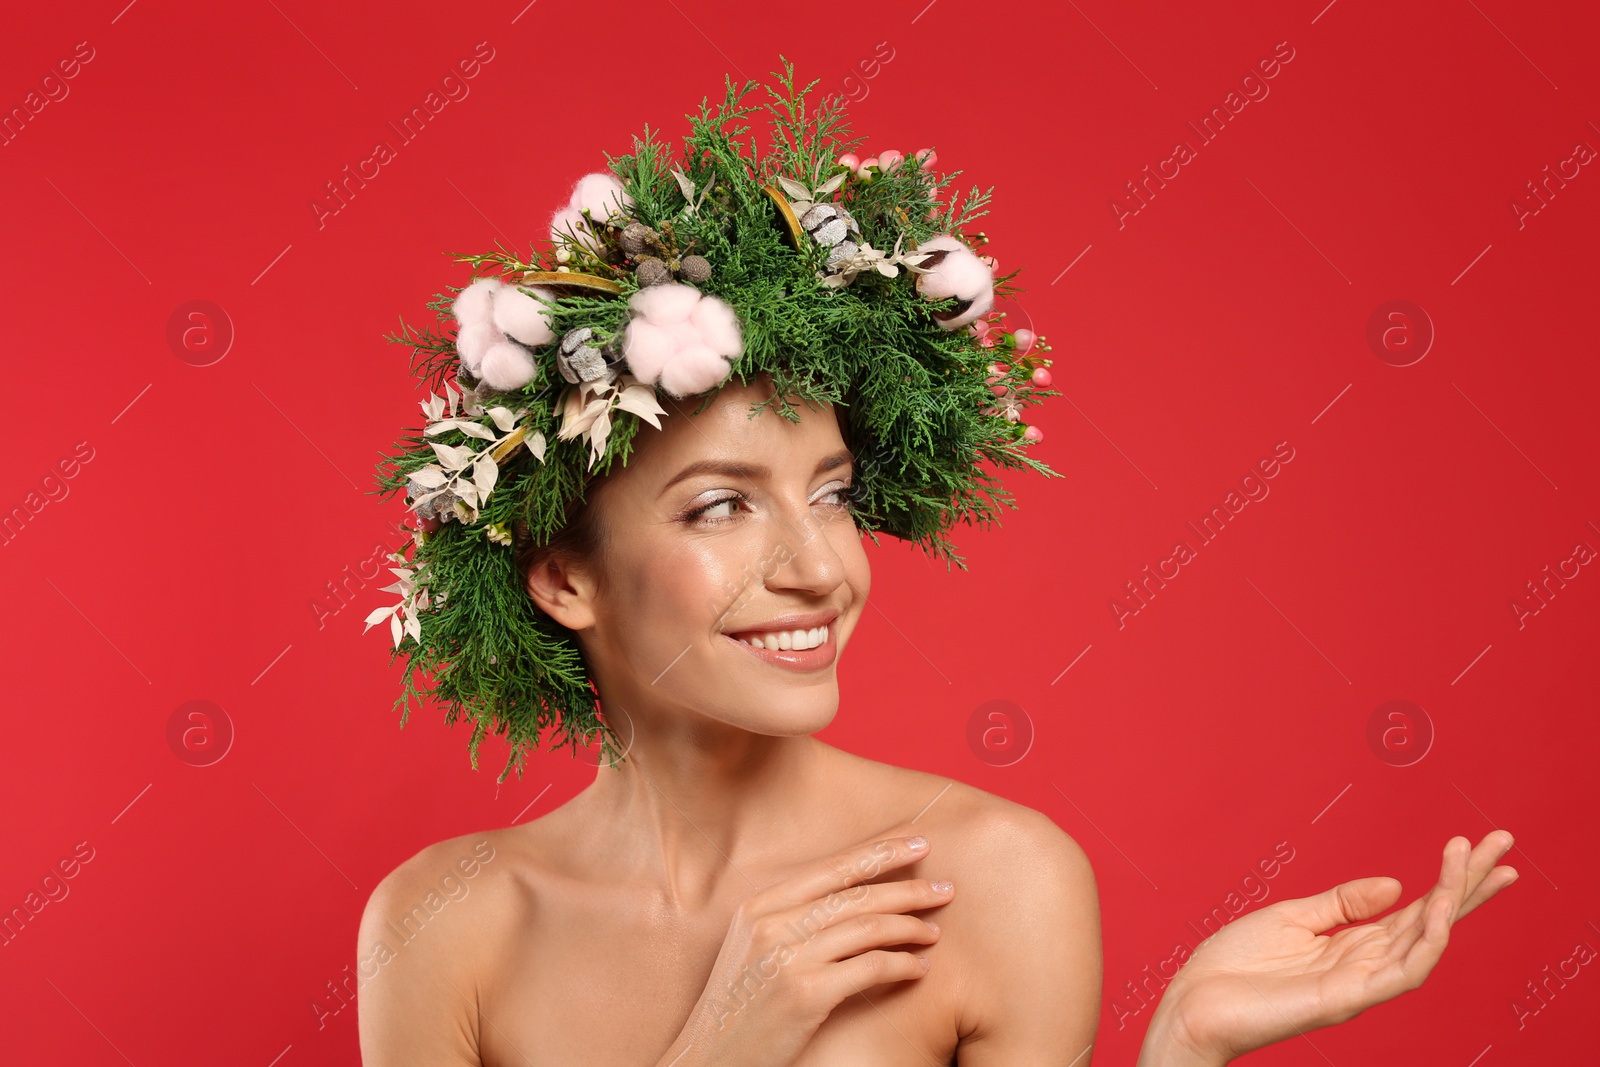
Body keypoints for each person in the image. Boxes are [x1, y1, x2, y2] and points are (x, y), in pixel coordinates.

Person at [356, 61, 1519, 1065]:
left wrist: (1180, 1046)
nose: (819, 568)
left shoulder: (992, 879)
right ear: (564, 579)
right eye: (719, 507)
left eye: (831, 494)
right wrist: (725, 1043)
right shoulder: (445, 924)